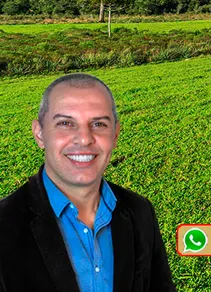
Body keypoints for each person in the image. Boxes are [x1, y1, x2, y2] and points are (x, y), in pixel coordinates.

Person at [0, 73, 176, 292]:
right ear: (39, 134)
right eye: (65, 123)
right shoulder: (4, 224)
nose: (84, 138)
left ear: (115, 134)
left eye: (99, 124)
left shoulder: (140, 212)